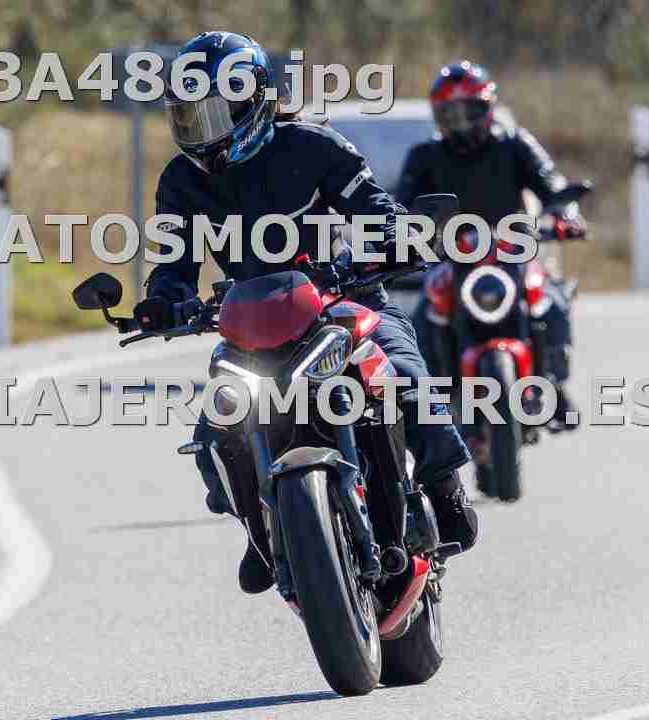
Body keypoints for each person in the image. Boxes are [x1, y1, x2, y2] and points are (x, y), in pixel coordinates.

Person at [136, 32, 478, 595]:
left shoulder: (313, 146)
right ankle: (259, 533)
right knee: (216, 430)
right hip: (252, 324)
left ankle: (445, 488)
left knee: (404, 376)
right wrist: (163, 300)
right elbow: (174, 260)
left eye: (212, 112)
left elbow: (373, 206)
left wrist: (398, 236)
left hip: (344, 299)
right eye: (188, 115)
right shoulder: (181, 180)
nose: (200, 129)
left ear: (251, 102)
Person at [397, 61, 584, 427]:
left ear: (487, 108)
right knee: (424, 315)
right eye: (451, 115)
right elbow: (402, 205)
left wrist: (566, 213)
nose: (461, 124)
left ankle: (553, 385)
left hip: (512, 251)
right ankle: (427, 400)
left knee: (552, 301)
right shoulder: (424, 156)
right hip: (451, 256)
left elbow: (551, 182)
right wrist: (402, 232)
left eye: (469, 112)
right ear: (438, 116)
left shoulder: (514, 144)